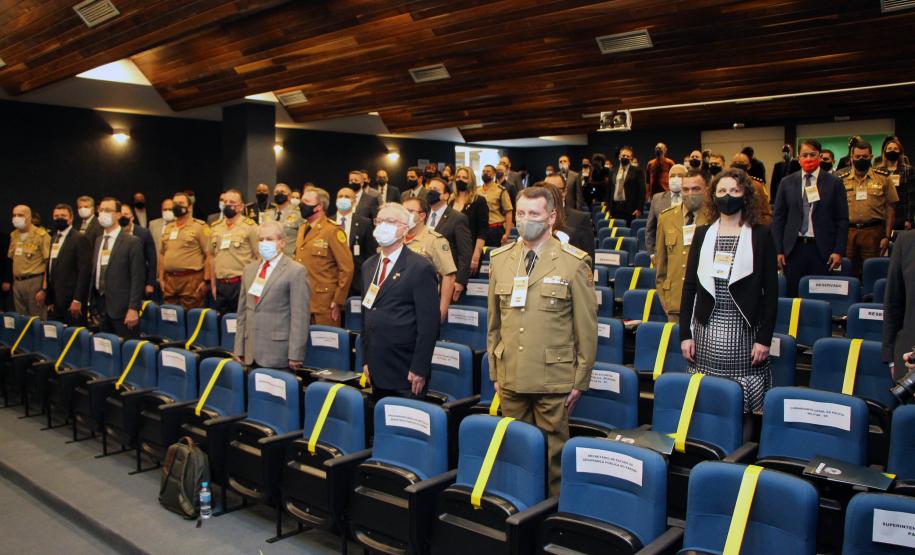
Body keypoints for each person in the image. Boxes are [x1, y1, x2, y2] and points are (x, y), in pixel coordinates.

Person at [487, 186, 597, 495]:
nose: (524, 220)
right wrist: (495, 372)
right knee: (516, 452)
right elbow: (494, 324)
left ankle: (550, 518)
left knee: (553, 459)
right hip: (511, 374)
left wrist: (580, 380)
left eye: (533, 214)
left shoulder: (573, 262)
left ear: (551, 217)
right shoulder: (501, 259)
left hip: (554, 377)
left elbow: (586, 329)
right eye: (520, 213)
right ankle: (518, 510)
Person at [679, 169, 778, 413]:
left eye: (734, 190)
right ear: (713, 196)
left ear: (745, 195)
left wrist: (764, 339)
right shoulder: (702, 234)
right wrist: (685, 334)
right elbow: (690, 286)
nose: (728, 196)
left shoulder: (761, 234)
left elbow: (772, 292)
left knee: (740, 407)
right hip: (706, 333)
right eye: (722, 191)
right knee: (707, 405)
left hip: (745, 334)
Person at [359, 203, 440, 400]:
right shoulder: (369, 266)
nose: (382, 226)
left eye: (390, 221)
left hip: (406, 369)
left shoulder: (420, 267)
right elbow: (365, 315)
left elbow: (429, 325)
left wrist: (419, 368)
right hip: (376, 366)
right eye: (379, 221)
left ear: (405, 228)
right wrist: (366, 360)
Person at [772, 139, 849, 297]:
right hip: (793, 250)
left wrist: (838, 250)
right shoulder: (787, 182)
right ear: (798, 158)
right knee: (792, 296)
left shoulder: (834, 183)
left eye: (812, 155)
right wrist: (778, 250)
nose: (808, 158)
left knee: (818, 296)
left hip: (822, 250)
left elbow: (842, 219)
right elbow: (779, 218)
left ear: (819, 157)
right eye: (804, 155)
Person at [235, 220, 310, 371]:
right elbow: (242, 312)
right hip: (250, 352)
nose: (264, 243)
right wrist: (239, 348)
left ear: (282, 243)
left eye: (269, 239)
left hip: (278, 353)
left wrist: (295, 354)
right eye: (261, 240)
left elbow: (300, 317)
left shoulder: (295, 271)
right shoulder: (249, 270)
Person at [294, 187, 353, 326]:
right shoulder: (303, 228)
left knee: (324, 344)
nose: (301, 205)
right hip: (302, 300)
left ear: (318, 206)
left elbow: (347, 268)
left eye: (306, 201)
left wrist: (338, 301)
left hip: (325, 303)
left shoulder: (332, 230)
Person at [656, 171, 710, 321]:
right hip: (675, 302)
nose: (690, 193)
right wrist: (665, 300)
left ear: (706, 190)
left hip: (705, 304)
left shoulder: (715, 218)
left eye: (696, 189)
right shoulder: (666, 218)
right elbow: (661, 266)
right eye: (685, 189)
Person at [839, 140, 897, 278]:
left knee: (873, 273)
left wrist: (887, 236)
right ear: (851, 158)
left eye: (865, 157)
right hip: (848, 232)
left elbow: (891, 208)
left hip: (874, 233)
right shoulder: (840, 179)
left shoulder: (883, 178)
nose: (861, 159)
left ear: (871, 156)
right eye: (857, 157)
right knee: (848, 273)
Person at [89, 198, 145, 339]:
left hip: (123, 310)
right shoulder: (98, 240)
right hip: (102, 307)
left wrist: (133, 309)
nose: (103, 213)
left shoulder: (132, 242)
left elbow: (137, 278)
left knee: (128, 353)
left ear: (119, 215)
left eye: (108, 210)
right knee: (107, 351)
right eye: (100, 210)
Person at [402, 196, 457, 321]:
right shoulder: (396, 238)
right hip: (399, 305)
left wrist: (442, 310)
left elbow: (449, 276)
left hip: (422, 305)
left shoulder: (435, 240)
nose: (404, 215)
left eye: (410, 211)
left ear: (422, 216)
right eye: (402, 211)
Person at [208, 189, 259, 314]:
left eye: (232, 202)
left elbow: (259, 257)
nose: (227, 205)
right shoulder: (215, 227)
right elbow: (211, 257)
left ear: (241, 207)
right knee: (223, 324)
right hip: (221, 284)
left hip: (241, 284)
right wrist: (213, 285)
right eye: (225, 202)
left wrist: (256, 286)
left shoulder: (250, 226)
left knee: (242, 323)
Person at [158, 192, 212, 310]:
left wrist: (206, 281)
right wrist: (161, 279)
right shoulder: (168, 228)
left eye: (181, 203)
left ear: (190, 207)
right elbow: (162, 254)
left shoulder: (199, 227)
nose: (177, 206)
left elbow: (209, 255)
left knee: (191, 316)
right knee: (171, 317)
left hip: (191, 280)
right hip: (170, 281)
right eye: (175, 203)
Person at [43, 204, 91, 325]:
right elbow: (51, 267)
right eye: (56, 216)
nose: (59, 218)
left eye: (63, 216)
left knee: (74, 338)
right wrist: (49, 297)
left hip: (71, 300)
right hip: (55, 299)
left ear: (70, 218)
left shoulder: (79, 238)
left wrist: (77, 300)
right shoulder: (54, 238)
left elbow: (84, 271)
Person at [426, 177, 473, 302]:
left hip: (446, 279)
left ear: (446, 195)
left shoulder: (458, 218)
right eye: (429, 189)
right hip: (424, 276)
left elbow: (465, 253)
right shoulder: (422, 216)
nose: (431, 192)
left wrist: (460, 281)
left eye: (435, 189)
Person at [7, 205, 50, 318]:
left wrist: (44, 288)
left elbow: (48, 263)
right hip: (18, 282)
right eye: (14, 215)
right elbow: (12, 258)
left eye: (20, 215)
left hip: (35, 281)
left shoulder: (41, 235)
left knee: (37, 320)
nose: (16, 218)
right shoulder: (14, 235)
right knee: (21, 320)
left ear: (29, 217)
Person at [543, 174, 595, 261]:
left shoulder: (580, 218)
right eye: (545, 190)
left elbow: (588, 260)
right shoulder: (536, 219)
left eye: (554, 189)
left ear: (564, 191)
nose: (549, 194)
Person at [335, 187, 376, 296]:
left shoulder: (365, 223)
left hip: (356, 280)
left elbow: (371, 254)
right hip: (333, 278)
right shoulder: (328, 222)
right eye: (340, 196)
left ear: (354, 201)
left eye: (347, 196)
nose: (343, 199)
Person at [450, 166, 489, 277]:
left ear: (470, 180)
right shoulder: (451, 200)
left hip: (469, 252)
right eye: (458, 177)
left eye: (464, 177)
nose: (460, 180)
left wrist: (476, 255)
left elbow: (483, 230)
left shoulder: (479, 201)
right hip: (451, 251)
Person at [646, 164, 688, 259]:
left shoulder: (692, 199)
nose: (675, 179)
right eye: (672, 176)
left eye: (680, 176)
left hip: (686, 253)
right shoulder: (657, 199)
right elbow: (650, 229)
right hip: (662, 254)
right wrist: (652, 254)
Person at [118, 204, 157, 298]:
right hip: (119, 281)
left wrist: (150, 283)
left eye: (126, 214)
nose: (123, 217)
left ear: (132, 217)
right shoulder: (115, 233)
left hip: (140, 281)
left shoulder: (144, 233)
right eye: (121, 214)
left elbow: (152, 260)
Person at [876, 136, 914, 230]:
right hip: (883, 217)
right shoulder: (878, 171)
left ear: (900, 152)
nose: (892, 151)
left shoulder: (908, 170)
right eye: (889, 149)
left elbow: (911, 196)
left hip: (902, 216)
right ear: (885, 152)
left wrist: (909, 219)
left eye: (895, 149)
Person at [608, 146, 646, 222]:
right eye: (623, 155)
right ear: (619, 156)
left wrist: (639, 209)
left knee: (628, 232)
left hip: (630, 209)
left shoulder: (637, 171)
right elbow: (609, 190)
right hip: (615, 208)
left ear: (631, 158)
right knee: (617, 231)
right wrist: (609, 208)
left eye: (627, 156)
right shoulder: (612, 171)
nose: (625, 157)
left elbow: (642, 191)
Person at [732, 152, 772, 225]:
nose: (737, 165)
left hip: (752, 227)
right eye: (735, 163)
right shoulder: (727, 184)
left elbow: (766, 213)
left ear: (749, 166)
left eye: (740, 163)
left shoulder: (757, 186)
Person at [264, 183, 303, 255]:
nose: (279, 194)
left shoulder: (299, 215)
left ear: (289, 197)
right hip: (270, 256)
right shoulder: (267, 214)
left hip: (289, 257)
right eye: (276, 192)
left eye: (282, 192)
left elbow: (302, 239)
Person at [480, 164, 513, 246]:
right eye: (483, 171)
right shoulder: (477, 191)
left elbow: (509, 212)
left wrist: (507, 233)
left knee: (493, 256)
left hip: (495, 229)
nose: (485, 173)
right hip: (480, 229)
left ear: (494, 174)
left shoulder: (501, 190)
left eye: (488, 171)